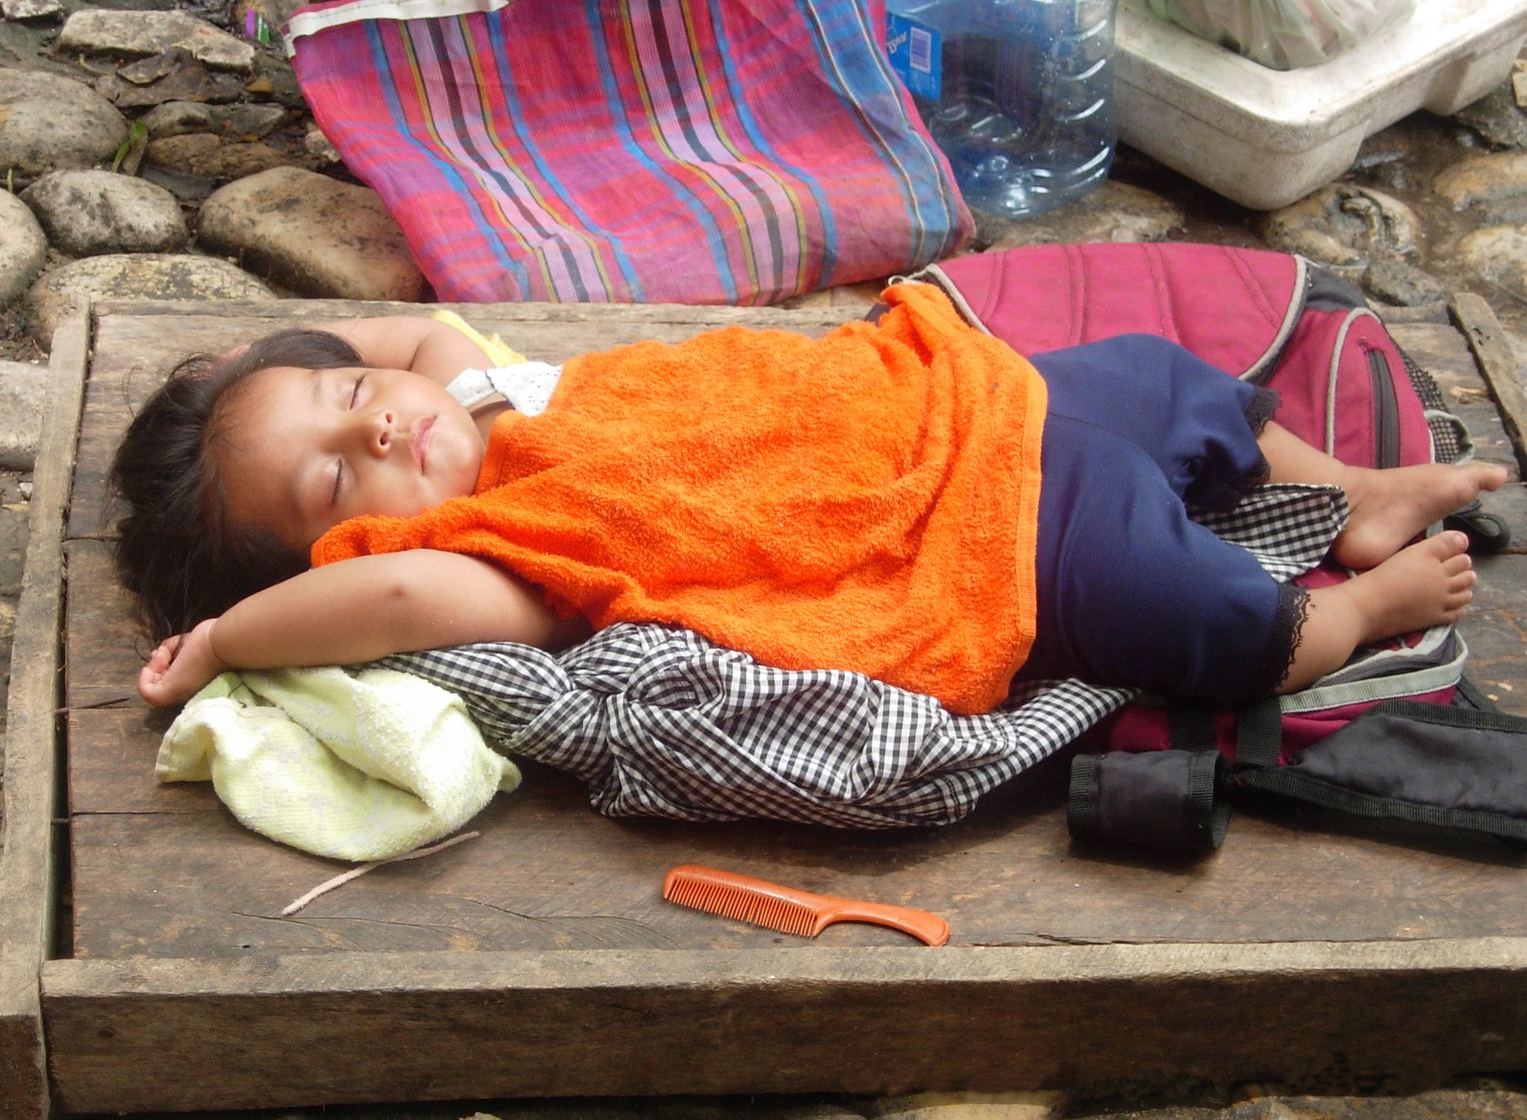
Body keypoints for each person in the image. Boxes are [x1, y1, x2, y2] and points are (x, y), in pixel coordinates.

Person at [110, 284, 1505, 715]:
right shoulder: (492, 552)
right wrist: (236, 638)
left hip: (964, 399)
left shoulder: (492, 393)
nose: (382, 431)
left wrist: (265, 371)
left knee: (1170, 378)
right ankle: (1355, 614)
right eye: (331, 477)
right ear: (335, 546)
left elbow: (411, 342)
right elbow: (391, 599)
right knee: (1204, 617)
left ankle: (1359, 495)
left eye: (352, 402)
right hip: (992, 545)